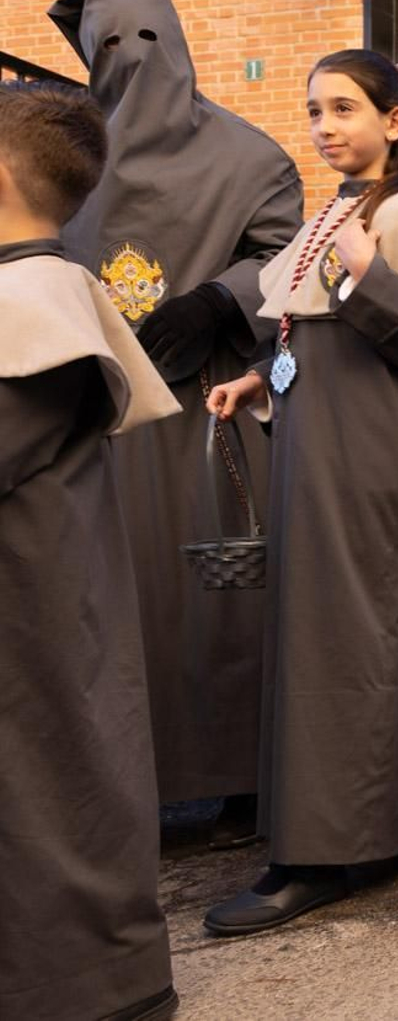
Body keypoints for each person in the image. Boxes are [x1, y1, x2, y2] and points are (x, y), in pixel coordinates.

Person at [201, 49, 398, 936]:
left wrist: (370, 271)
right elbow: (312, 333)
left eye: (344, 109)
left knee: (354, 649)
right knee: (330, 643)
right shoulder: (334, 212)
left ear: (392, 122)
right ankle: (376, 827)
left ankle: (323, 853)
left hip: (371, 479)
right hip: (319, 469)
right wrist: (260, 378)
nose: (326, 126)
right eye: (315, 110)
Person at [49, 0, 305, 847]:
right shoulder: (64, 162)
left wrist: (219, 303)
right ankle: (130, 784)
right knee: (113, 608)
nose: (131, 65)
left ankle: (242, 776)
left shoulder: (250, 154)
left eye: (143, 42)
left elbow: (286, 254)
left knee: (220, 599)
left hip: (208, 414)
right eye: (110, 48)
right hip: (99, 418)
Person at [0, 80, 181, 1021]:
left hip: (35, 613)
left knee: (52, 786)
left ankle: (96, 988)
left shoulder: (35, 296)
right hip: (43, 600)